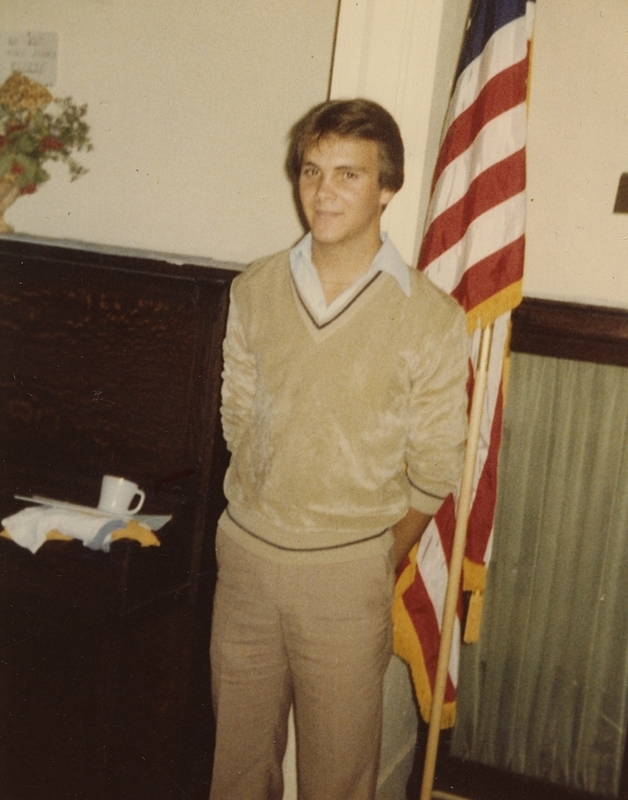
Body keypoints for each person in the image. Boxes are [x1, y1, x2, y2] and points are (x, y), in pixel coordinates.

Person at [209, 98, 468, 800]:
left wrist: (371, 556)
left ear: (387, 188)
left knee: (338, 778)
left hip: (347, 574)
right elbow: (238, 414)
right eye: (312, 171)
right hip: (246, 564)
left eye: (349, 175)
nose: (324, 192)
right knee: (236, 769)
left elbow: (437, 465)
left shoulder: (430, 316)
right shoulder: (255, 288)